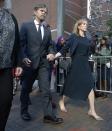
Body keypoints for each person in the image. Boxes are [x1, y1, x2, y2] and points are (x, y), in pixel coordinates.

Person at [19, 4, 63, 124]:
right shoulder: (26, 26)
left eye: (45, 12)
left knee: (45, 90)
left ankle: (48, 116)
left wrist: (51, 53)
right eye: (41, 11)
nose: (44, 13)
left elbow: (50, 45)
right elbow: (21, 44)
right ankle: (24, 111)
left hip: (44, 63)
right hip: (29, 63)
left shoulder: (47, 29)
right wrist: (23, 57)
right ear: (35, 12)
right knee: (26, 89)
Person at [55, 18, 103, 121]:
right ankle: (61, 101)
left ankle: (92, 110)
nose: (86, 25)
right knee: (69, 83)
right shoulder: (73, 37)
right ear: (79, 26)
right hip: (76, 63)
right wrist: (56, 55)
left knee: (90, 84)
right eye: (84, 24)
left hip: (85, 64)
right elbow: (65, 48)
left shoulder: (87, 39)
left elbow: (89, 52)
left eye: (86, 24)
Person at [0, 0, 23, 130]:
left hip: (6, 68)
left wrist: (19, 63)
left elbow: (17, 43)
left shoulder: (10, 17)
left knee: (6, 101)